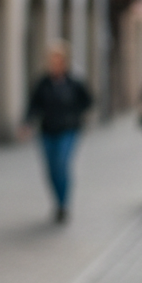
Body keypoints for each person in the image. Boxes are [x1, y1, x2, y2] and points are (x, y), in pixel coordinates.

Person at [23, 40, 93, 223]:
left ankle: (63, 205)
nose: (55, 64)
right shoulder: (43, 83)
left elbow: (88, 101)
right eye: (52, 60)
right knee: (51, 170)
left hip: (68, 130)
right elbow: (33, 104)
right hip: (47, 130)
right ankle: (57, 201)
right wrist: (27, 122)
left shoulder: (74, 82)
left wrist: (76, 115)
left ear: (65, 62)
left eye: (58, 60)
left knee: (61, 165)